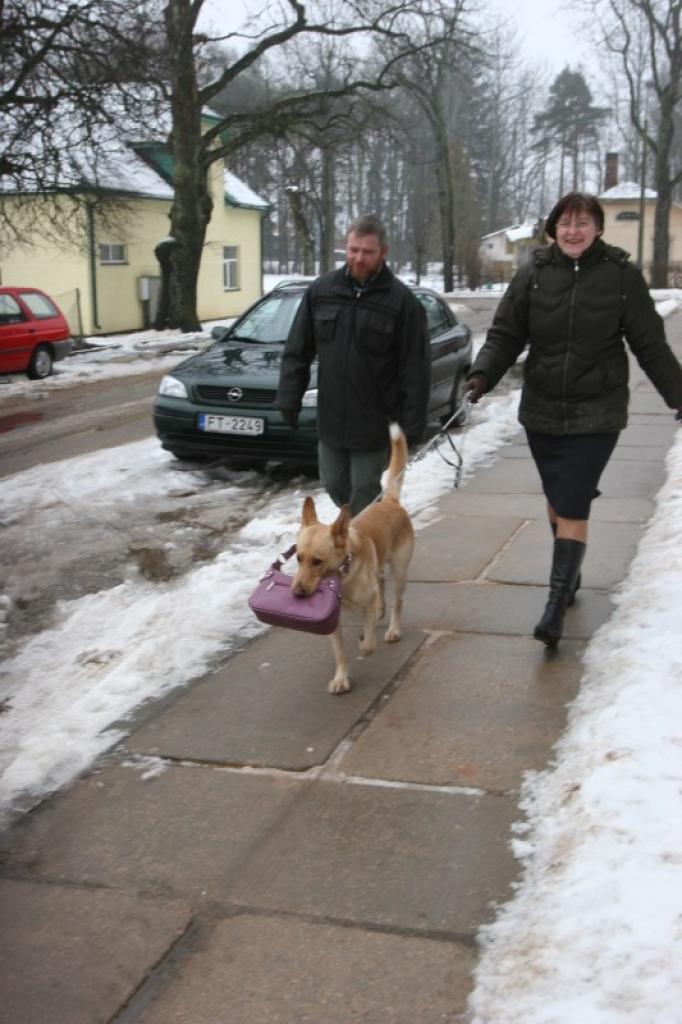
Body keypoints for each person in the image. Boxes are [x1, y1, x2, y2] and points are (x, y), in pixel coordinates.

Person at [466, 191, 682, 648]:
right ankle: (572, 572)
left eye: (583, 222)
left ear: (598, 228)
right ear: (553, 228)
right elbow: (506, 332)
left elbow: (651, 344)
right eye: (565, 222)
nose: (573, 230)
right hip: (543, 407)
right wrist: (481, 376)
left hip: (598, 409)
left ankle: (554, 604)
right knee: (557, 494)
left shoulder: (621, 276)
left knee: (573, 498)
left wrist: (677, 395)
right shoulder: (533, 275)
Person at [277, 214, 430, 516]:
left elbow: (416, 369)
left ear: (383, 252)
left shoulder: (402, 302)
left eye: (367, 252)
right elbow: (297, 350)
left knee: (363, 492)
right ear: (345, 248)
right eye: (353, 250)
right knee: (334, 485)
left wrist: (412, 425)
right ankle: (359, 540)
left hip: (375, 422)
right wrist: (288, 397)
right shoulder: (321, 292)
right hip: (331, 417)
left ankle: (361, 557)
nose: (359, 258)